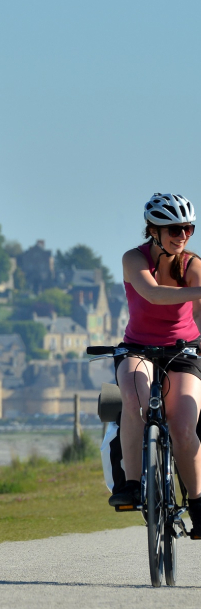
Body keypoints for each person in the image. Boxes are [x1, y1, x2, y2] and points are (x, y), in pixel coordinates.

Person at [110, 193, 201, 538]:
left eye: (188, 229)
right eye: (175, 229)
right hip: (138, 348)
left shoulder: (192, 264)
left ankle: (198, 502)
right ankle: (133, 485)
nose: (182, 236)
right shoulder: (134, 259)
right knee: (134, 403)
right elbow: (153, 294)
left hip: (183, 351)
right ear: (154, 230)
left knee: (182, 425)